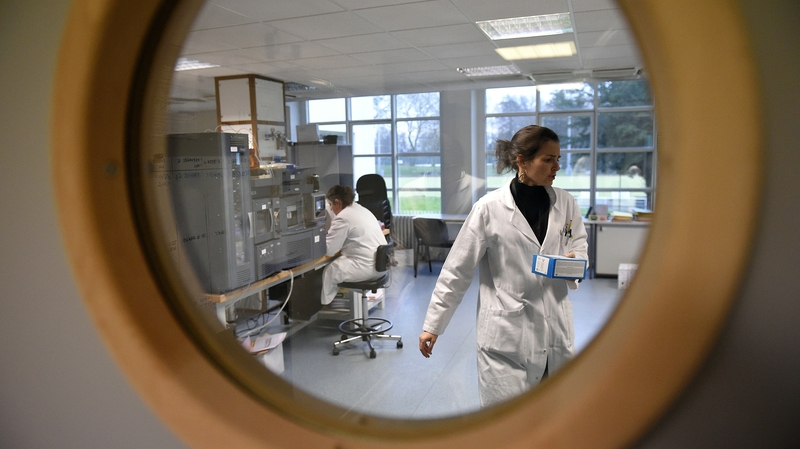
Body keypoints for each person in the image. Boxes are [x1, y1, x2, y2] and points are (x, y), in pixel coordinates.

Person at [418, 125, 588, 407]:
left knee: (550, 416)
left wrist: (573, 263)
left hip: (554, 329)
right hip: (506, 336)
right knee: (507, 422)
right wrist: (433, 325)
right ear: (522, 161)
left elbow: (580, 250)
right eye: (548, 159)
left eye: (558, 158)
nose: (557, 166)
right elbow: (456, 271)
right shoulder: (489, 208)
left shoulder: (566, 203)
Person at [321, 185, 387, 305]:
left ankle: (325, 306)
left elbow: (329, 250)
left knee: (330, 270)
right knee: (338, 264)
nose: (330, 209)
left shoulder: (343, 217)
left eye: (331, 205)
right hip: (381, 266)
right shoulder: (360, 209)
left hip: (366, 267)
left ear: (337, 202)